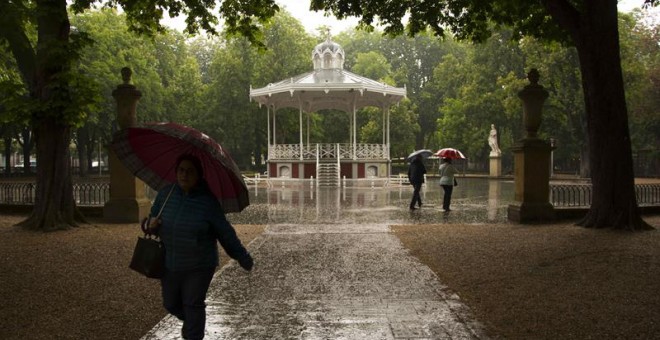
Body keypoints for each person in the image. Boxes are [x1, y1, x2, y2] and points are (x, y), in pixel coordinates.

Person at [145, 154, 253, 340]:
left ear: (199, 176)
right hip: (170, 262)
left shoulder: (208, 202)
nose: (184, 175)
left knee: (193, 304)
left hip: (199, 265)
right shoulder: (166, 194)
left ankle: (194, 333)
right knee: (170, 303)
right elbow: (150, 220)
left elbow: (225, 233)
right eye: (181, 170)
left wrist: (242, 256)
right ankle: (193, 323)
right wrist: (149, 224)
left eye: (190, 171)